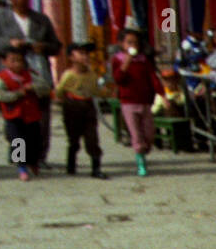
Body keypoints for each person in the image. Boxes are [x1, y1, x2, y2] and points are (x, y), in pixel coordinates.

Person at [0, 0, 60, 164]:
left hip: (37, 71)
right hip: (12, 75)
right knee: (16, 120)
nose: (20, 0)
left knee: (41, 117)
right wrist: (10, 44)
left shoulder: (40, 20)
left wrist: (43, 47)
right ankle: (19, 158)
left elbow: (56, 45)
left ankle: (39, 156)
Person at [111, 28, 163, 176]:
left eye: (135, 43)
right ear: (121, 43)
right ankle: (140, 161)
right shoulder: (118, 59)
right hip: (128, 101)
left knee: (149, 131)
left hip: (145, 101)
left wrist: (162, 94)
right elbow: (118, 78)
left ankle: (143, 150)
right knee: (136, 133)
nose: (133, 45)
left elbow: (152, 77)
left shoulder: (143, 60)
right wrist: (126, 61)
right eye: (129, 42)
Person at [55, 42, 107, 178]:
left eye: (86, 54)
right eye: (81, 53)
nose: (85, 57)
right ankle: (71, 164)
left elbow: (96, 90)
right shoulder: (68, 75)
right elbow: (59, 92)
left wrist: (105, 92)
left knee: (92, 138)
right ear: (71, 57)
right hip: (72, 107)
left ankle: (96, 168)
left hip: (88, 107)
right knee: (73, 138)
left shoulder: (92, 74)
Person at [0, 46, 41, 180]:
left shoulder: (30, 74)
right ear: (4, 62)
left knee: (34, 140)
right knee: (17, 141)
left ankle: (33, 162)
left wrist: (34, 88)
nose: (17, 64)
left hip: (31, 115)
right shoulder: (2, 78)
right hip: (13, 115)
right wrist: (17, 94)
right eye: (13, 61)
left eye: (20, 61)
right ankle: (21, 166)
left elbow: (45, 87)